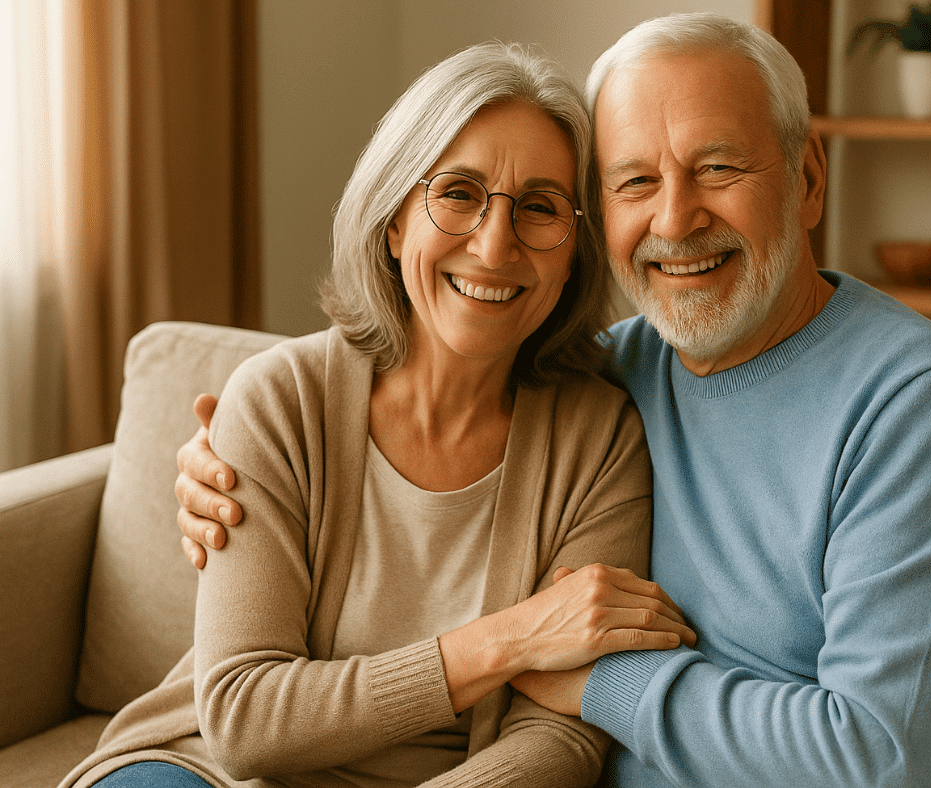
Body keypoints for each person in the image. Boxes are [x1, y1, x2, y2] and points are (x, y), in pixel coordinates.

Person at [177, 13, 931, 788]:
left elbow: (886, 758)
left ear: (808, 179)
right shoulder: (612, 372)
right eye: (636, 181)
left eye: (718, 168)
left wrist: (602, 684)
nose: (675, 220)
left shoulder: (909, 407)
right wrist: (216, 464)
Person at [61, 41, 697, 788]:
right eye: (457, 193)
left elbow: (559, 736)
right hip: (204, 771)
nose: (495, 245)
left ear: (574, 254)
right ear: (395, 224)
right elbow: (243, 719)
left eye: (539, 208)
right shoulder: (278, 401)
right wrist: (510, 639)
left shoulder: (601, 440)